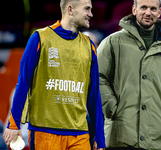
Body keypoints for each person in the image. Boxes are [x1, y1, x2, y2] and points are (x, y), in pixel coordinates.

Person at [3, 0, 106, 150]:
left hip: (80, 135)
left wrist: (100, 138)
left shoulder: (90, 46)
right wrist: (14, 124)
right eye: (87, 9)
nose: (91, 14)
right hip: (44, 133)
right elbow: (23, 83)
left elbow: (94, 95)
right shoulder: (40, 38)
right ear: (70, 9)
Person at [97, 0, 161, 149]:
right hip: (119, 137)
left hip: (157, 140)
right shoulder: (112, 42)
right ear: (134, 10)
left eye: (153, 9)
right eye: (143, 8)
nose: (148, 12)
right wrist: (110, 107)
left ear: (159, 12)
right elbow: (98, 76)